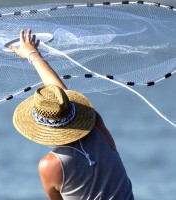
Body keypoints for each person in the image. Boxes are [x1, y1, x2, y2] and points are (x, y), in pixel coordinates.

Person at [9, 29, 134, 200]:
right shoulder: (96, 125)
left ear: (41, 128)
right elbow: (60, 97)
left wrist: (32, 54)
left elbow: (60, 97)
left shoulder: (50, 165)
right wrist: (33, 54)